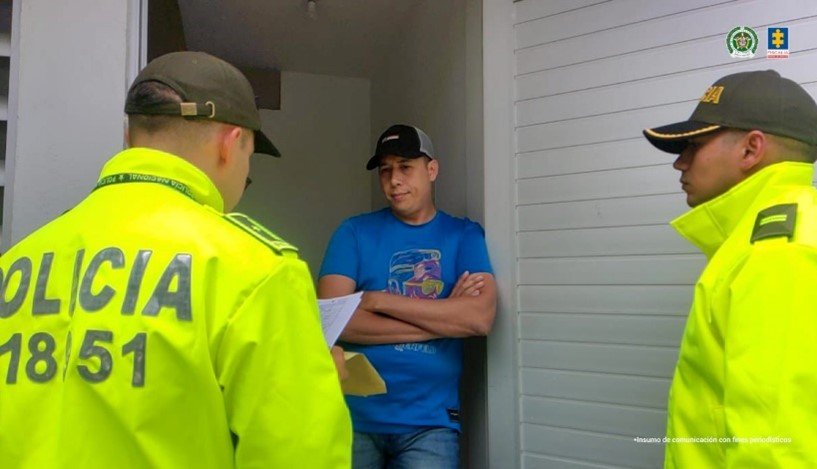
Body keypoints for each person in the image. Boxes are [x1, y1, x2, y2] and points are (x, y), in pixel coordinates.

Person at [0, 51, 351, 468]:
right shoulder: (258, 270)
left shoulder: (17, 262)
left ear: (129, 137)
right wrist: (314, 385)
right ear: (230, 144)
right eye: (250, 158)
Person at [643, 70, 817, 467]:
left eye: (693, 145)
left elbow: (777, 449)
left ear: (751, 149)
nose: (680, 162)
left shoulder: (779, 253)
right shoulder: (801, 226)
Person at [317, 124, 497, 468]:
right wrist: (445, 317)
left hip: (430, 423)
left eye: (405, 167)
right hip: (355, 418)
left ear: (432, 170)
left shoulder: (464, 235)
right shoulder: (353, 232)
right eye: (385, 170)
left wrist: (377, 300)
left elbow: (479, 317)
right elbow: (333, 322)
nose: (394, 180)